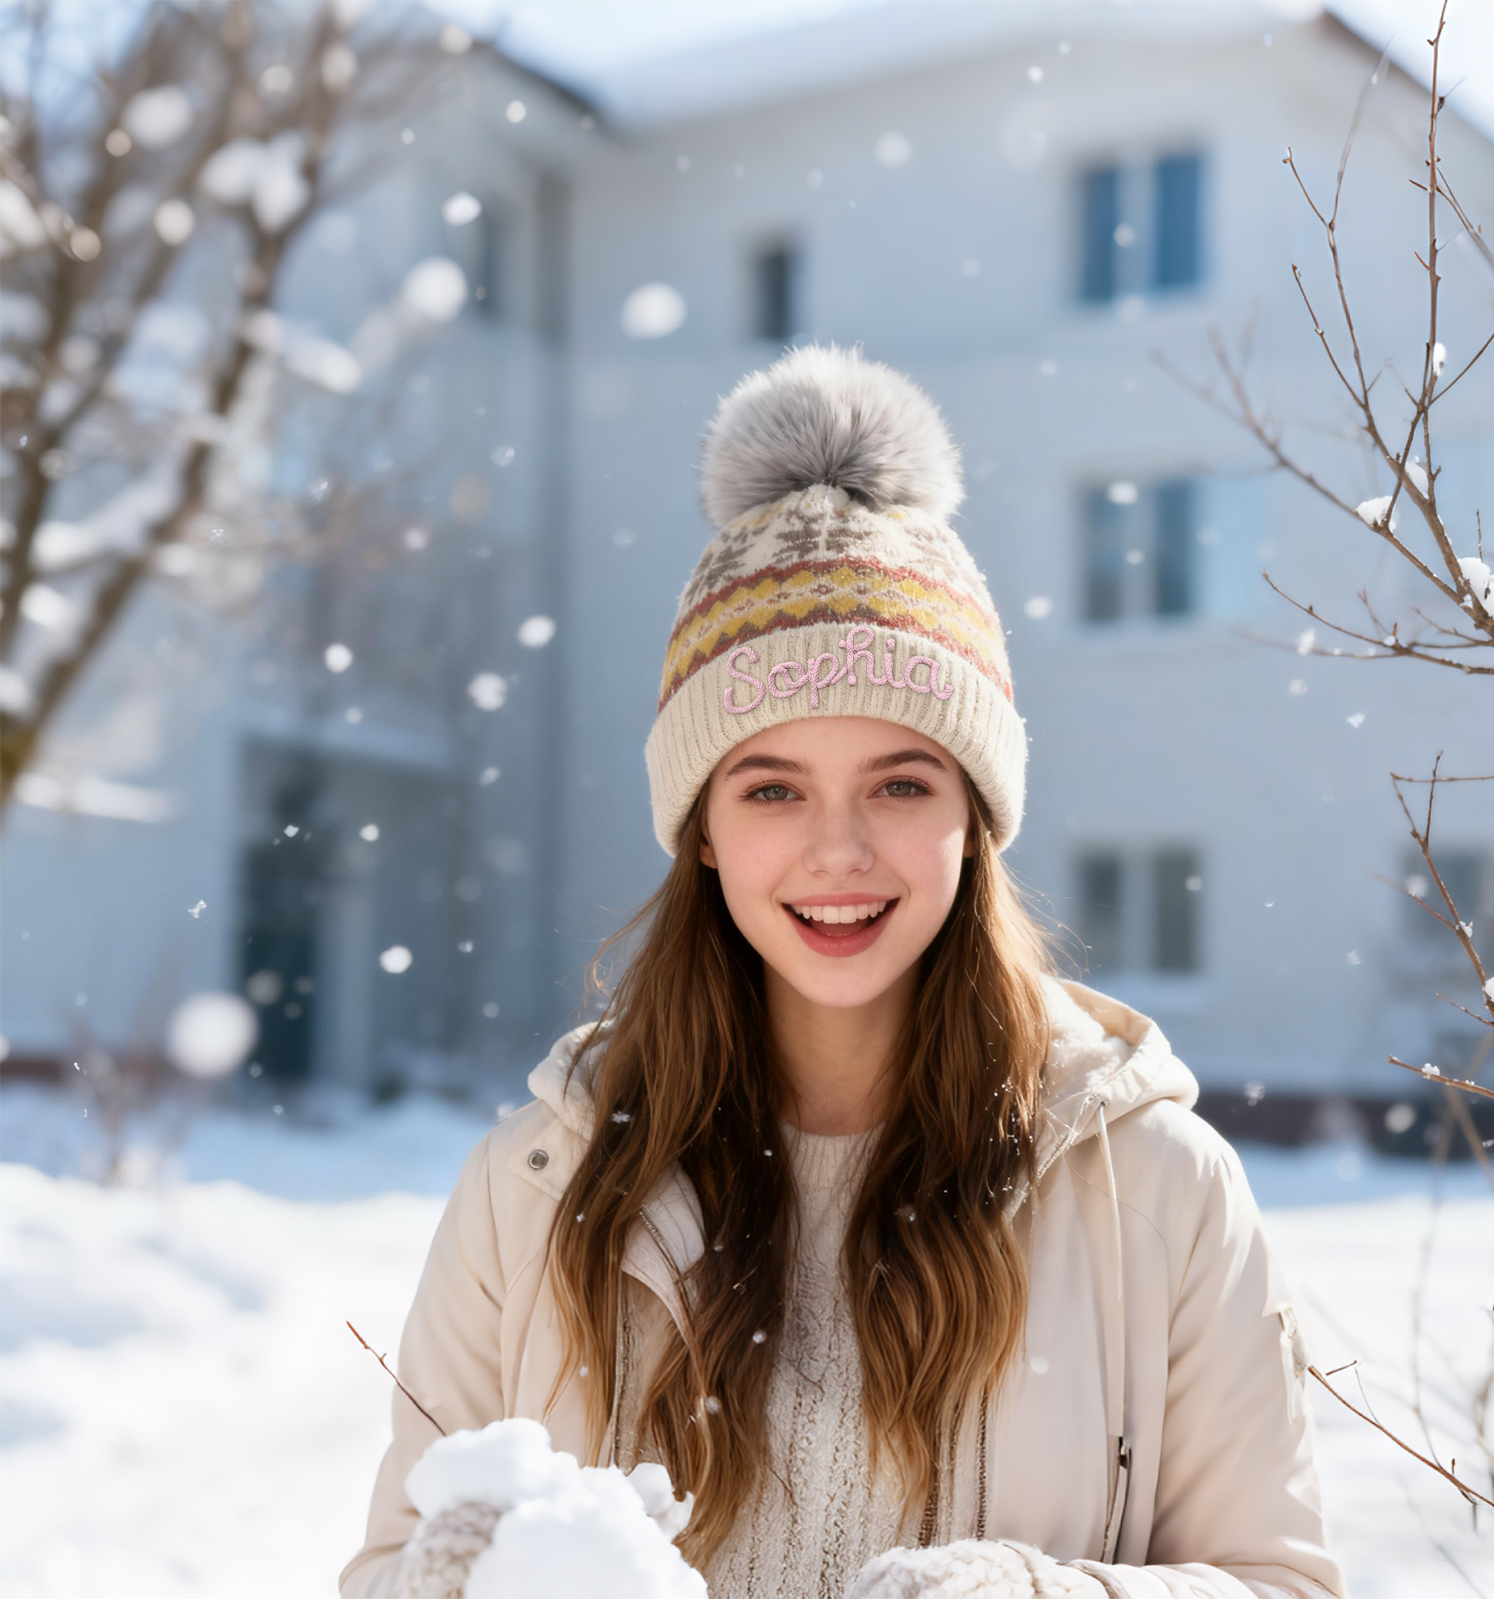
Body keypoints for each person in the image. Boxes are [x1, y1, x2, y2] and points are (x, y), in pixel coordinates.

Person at [340, 346, 1344, 1600]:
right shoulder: (532, 1192)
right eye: (772, 788)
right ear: (701, 827)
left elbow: (1281, 1585)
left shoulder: (1154, 1187)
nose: (837, 851)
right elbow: (390, 1570)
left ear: (974, 817)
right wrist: (449, 1580)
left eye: (899, 783)